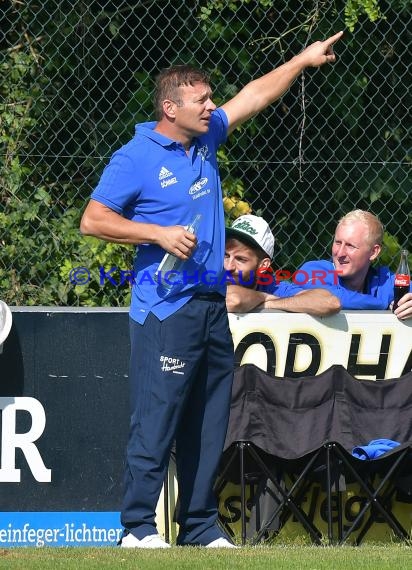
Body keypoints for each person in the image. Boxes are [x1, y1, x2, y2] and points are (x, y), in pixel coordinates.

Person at [80, 30, 343, 549]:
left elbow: (254, 94)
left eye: (209, 98)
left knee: (207, 421)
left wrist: (302, 60)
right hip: (164, 311)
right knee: (157, 418)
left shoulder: (204, 138)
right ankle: (137, 529)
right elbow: (92, 220)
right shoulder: (135, 157)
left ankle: (198, 527)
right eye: (201, 100)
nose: (211, 106)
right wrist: (156, 233)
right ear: (169, 106)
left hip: (211, 305)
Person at [297, 210, 412, 319]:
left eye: (350, 246)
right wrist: (384, 305)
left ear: (373, 252)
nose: (340, 253)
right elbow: (337, 299)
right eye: (337, 243)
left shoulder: (384, 281)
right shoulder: (311, 271)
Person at [224, 214, 341, 315]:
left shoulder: (273, 287)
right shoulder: (210, 277)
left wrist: (267, 303)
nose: (228, 266)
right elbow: (234, 300)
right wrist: (264, 297)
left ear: (263, 265)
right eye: (226, 256)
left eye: (240, 259)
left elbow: (330, 302)